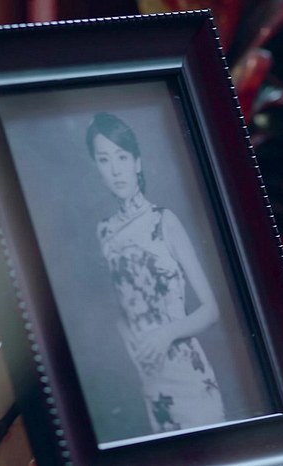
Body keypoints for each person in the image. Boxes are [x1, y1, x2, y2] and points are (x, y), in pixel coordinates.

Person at [87, 112, 226, 434]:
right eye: (104, 159)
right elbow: (122, 309)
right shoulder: (104, 232)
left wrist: (167, 333)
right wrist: (133, 350)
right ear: (97, 168)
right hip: (151, 381)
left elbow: (211, 310)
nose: (115, 169)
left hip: (188, 376)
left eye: (122, 157)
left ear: (137, 162)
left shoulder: (164, 221)